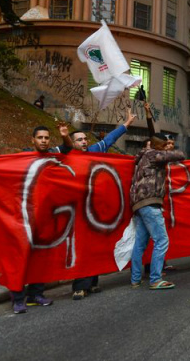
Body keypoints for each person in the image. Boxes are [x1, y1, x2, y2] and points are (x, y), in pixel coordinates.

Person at [70, 109, 136, 300]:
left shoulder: (93, 151)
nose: (84, 142)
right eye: (79, 140)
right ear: (72, 144)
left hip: (96, 210)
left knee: (96, 246)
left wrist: (126, 124)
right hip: (77, 211)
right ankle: (79, 286)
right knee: (82, 248)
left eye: (85, 139)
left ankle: (92, 283)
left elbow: (109, 140)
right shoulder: (65, 157)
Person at [10, 123, 73, 314]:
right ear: (33, 140)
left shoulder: (53, 155)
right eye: (40, 138)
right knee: (21, 259)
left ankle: (35, 294)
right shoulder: (23, 156)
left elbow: (69, 149)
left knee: (41, 257)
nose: (44, 141)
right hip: (24, 217)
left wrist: (64, 135)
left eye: (46, 138)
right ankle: (17, 298)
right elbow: (0, 167)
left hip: (46, 217)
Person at [130, 133, 185, 290]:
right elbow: (180, 155)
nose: (167, 147)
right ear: (158, 145)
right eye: (164, 145)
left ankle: (135, 279)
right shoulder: (154, 154)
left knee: (140, 243)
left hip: (139, 203)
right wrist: (167, 148)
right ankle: (155, 279)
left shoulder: (142, 155)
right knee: (161, 240)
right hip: (150, 202)